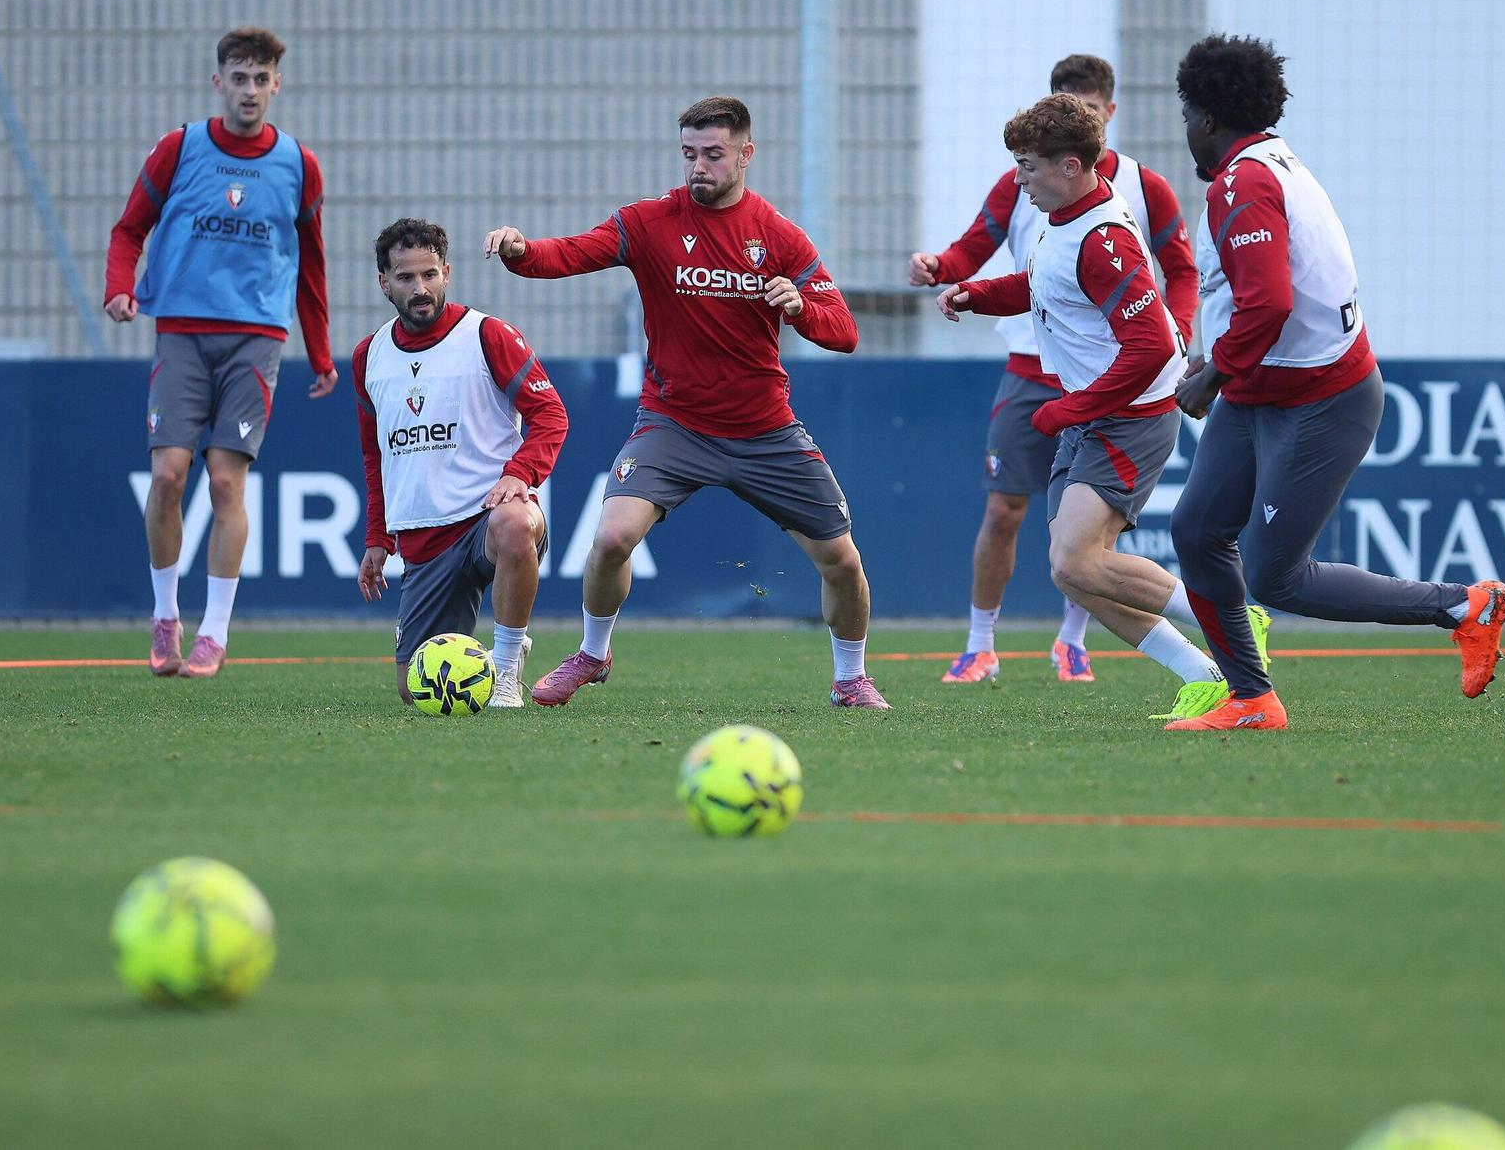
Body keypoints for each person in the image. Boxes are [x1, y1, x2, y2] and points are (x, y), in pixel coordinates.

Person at [485, 96, 883, 709]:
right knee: (612, 539)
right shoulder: (649, 223)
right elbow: (568, 253)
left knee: (842, 561)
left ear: (746, 154)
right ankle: (592, 654)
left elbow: (845, 332)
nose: (699, 166)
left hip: (765, 431)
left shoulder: (778, 236)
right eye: (689, 154)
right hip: (674, 425)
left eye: (713, 155)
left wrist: (801, 308)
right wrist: (520, 251)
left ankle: (851, 678)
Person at [1164, 34, 1505, 730]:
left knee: (1274, 573)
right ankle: (1251, 698)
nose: (1187, 131)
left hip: (1321, 399)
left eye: (1186, 116)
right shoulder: (1271, 164)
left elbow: (1269, 302)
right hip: (1266, 389)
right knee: (1198, 530)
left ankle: (1463, 606)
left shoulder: (1245, 181)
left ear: (1206, 119)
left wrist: (1214, 376)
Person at [938, 94, 1240, 720]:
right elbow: (1041, 283)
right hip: (1099, 414)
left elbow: (1154, 346)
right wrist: (978, 294)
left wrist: (1073, 409)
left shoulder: (1103, 237)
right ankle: (1203, 672)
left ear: (1071, 165)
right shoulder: (1063, 216)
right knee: (1073, 571)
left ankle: (1235, 615)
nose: (1018, 180)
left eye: (1027, 167)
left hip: (1131, 419)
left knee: (1075, 561)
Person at [105, 27, 337, 679]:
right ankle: (165, 615)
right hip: (181, 331)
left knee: (227, 480)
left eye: (261, 79)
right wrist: (119, 288)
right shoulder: (180, 149)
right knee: (170, 473)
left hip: (257, 339)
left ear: (276, 85)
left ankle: (214, 631)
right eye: (239, 77)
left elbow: (312, 267)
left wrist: (321, 352)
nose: (250, 90)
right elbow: (129, 229)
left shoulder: (298, 163)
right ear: (219, 82)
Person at [354, 219, 568, 709]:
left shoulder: (487, 334)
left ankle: (508, 666)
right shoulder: (369, 355)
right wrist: (377, 538)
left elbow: (551, 414)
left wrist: (520, 475)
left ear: (446, 272)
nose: (420, 287)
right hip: (425, 540)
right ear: (384, 282)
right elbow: (375, 454)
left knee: (517, 522)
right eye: (405, 278)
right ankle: (489, 660)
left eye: (430, 274)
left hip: (487, 519)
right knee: (417, 692)